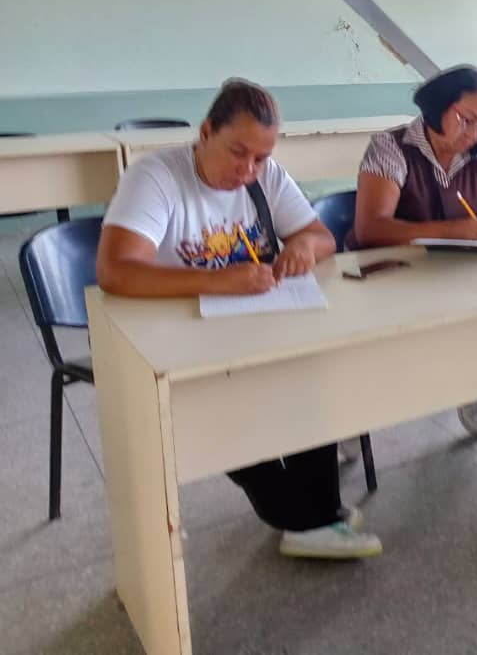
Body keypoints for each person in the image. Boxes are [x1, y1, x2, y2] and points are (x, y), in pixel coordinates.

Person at [97, 78, 383, 558]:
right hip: (181, 336)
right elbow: (115, 271)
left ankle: (320, 512)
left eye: (261, 158)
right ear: (206, 131)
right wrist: (217, 280)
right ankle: (300, 519)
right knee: (228, 411)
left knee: (313, 373)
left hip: (259, 323)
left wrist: (300, 248)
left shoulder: (265, 177)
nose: (248, 170)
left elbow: (322, 238)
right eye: (237, 152)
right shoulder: (156, 177)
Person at [350, 65, 477, 437]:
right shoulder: (392, 146)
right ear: (438, 106)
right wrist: (448, 229)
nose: (473, 133)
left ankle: (468, 382)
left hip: (452, 274)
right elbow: (370, 229)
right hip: (392, 276)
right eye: (465, 119)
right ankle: (355, 413)